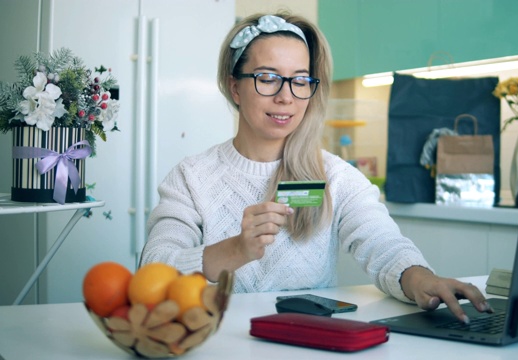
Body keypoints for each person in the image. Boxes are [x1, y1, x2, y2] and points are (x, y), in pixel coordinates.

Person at [141, 12, 492, 324]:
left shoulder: (335, 176)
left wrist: (420, 279)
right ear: (235, 86)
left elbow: (384, 245)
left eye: (300, 80)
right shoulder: (191, 176)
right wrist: (236, 250)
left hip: (310, 345)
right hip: (214, 345)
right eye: (267, 78)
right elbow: (152, 270)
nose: (286, 97)